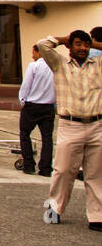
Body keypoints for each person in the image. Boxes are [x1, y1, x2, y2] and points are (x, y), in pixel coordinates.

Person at [37, 31, 102, 231]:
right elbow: (42, 44)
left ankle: (97, 216)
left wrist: (94, 44)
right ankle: (54, 210)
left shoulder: (98, 65)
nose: (83, 48)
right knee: (63, 171)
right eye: (78, 44)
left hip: (96, 125)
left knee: (96, 174)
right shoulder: (60, 64)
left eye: (86, 45)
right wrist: (65, 40)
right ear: (70, 47)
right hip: (70, 125)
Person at [18, 44, 55, 177]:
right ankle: (45, 168)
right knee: (47, 138)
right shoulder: (54, 66)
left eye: (33, 52)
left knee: (24, 134)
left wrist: (22, 100)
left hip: (32, 106)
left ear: (39, 53)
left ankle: (29, 165)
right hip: (48, 106)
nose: (32, 55)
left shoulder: (33, 66)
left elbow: (26, 84)